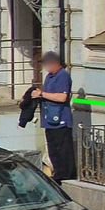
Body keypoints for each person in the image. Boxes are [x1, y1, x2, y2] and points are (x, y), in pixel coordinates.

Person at [31, 51, 75, 182]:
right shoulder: (49, 77)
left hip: (60, 120)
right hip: (49, 120)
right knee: (53, 150)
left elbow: (62, 97)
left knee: (63, 150)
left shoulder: (63, 76)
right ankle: (58, 173)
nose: (46, 67)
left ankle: (66, 175)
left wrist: (42, 94)